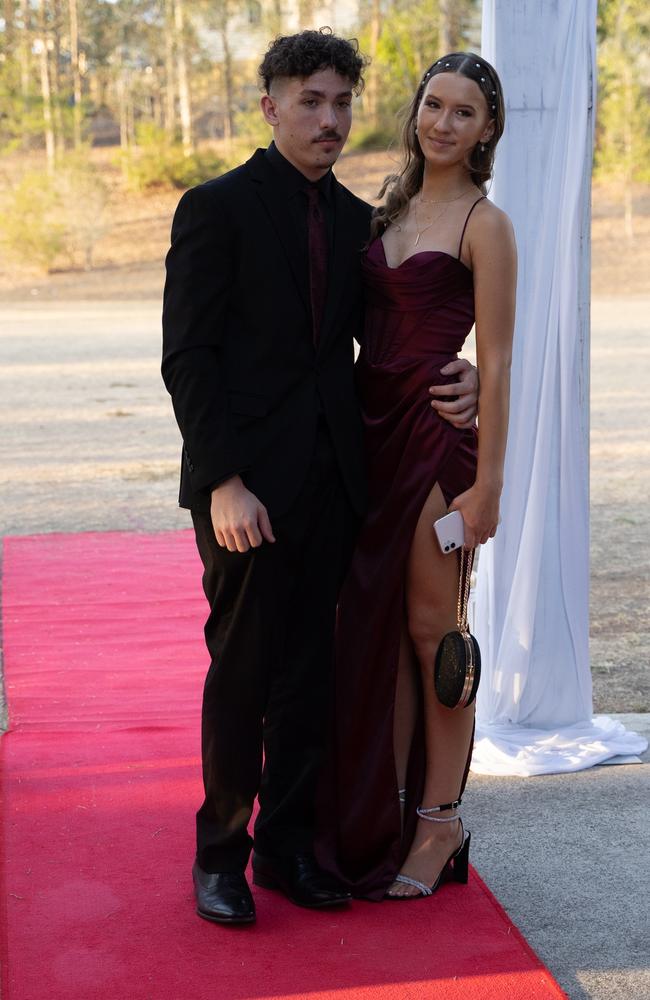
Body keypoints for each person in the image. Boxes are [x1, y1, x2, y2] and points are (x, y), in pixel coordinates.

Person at [161, 30, 479, 926]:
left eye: (342, 102)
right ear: (270, 106)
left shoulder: (356, 224)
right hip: (243, 492)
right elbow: (188, 357)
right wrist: (223, 480)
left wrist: (475, 375)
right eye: (311, 100)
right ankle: (219, 852)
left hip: (339, 480)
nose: (330, 118)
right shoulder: (213, 208)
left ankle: (288, 848)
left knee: (312, 673)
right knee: (243, 672)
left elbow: (398, 342)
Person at [320, 52, 516, 900]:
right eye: (433, 104)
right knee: (378, 634)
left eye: (464, 112)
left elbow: (499, 362)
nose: (442, 122)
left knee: (437, 634)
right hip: (370, 439)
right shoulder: (385, 209)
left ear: (487, 131)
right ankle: (390, 814)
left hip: (438, 450)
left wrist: (490, 489)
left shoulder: (485, 222)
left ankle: (441, 825)